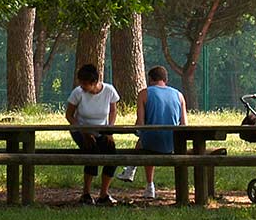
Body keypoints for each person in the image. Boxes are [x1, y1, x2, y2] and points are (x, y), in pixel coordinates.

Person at [65, 64, 121, 205]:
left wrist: (109, 130)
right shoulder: (78, 93)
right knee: (92, 153)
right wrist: (83, 131)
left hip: (101, 129)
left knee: (113, 155)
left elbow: (113, 111)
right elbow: (69, 115)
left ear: (94, 82)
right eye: (81, 83)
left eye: (85, 84)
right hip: (80, 129)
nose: (82, 86)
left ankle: (104, 194)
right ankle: (86, 193)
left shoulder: (109, 91)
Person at [134, 65, 186, 201]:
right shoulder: (179, 95)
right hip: (173, 144)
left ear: (150, 79)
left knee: (143, 142)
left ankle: (148, 184)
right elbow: (184, 125)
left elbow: (140, 124)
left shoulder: (144, 93)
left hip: (151, 142)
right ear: (165, 79)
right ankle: (181, 189)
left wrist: (137, 133)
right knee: (145, 141)